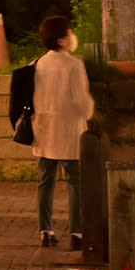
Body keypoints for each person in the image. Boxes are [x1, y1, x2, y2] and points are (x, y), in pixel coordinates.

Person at [29, 15, 95, 249]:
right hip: (69, 130)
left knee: (45, 182)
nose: (72, 36)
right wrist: (89, 112)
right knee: (76, 181)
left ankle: (45, 231)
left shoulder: (38, 64)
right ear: (62, 40)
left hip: (44, 129)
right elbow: (81, 101)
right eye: (69, 32)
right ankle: (76, 232)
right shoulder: (73, 65)